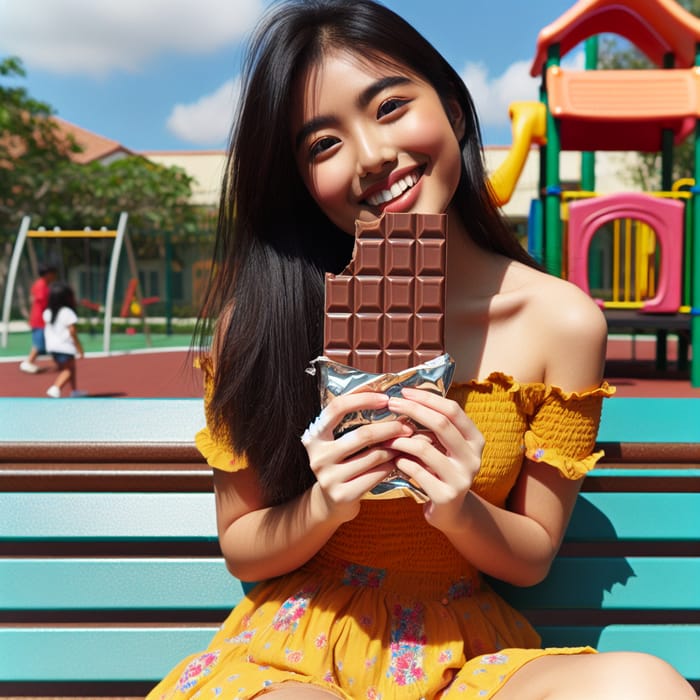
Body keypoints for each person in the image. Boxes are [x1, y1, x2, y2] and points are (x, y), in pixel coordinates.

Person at [147, 2, 697, 698]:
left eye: (391, 106)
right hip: (296, 651)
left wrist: (458, 504)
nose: (373, 155)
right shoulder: (262, 322)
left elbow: (531, 556)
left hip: (461, 651)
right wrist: (326, 504)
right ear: (301, 183)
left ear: (456, 112)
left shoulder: (561, 322)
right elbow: (241, 543)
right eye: (323, 144)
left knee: (641, 685)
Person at [42, 281, 87, 398]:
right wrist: (79, 348)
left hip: (52, 346)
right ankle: (56, 387)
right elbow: (72, 331)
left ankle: (74, 390)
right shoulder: (67, 312)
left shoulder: (48, 312)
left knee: (70, 367)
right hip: (65, 346)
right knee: (68, 370)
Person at [19, 262, 57, 374]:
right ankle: (28, 361)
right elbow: (43, 301)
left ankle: (55, 361)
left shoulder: (43, 284)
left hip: (42, 319)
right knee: (39, 344)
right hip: (39, 319)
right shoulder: (41, 285)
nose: (54, 276)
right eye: (52, 273)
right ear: (47, 274)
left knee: (45, 342)